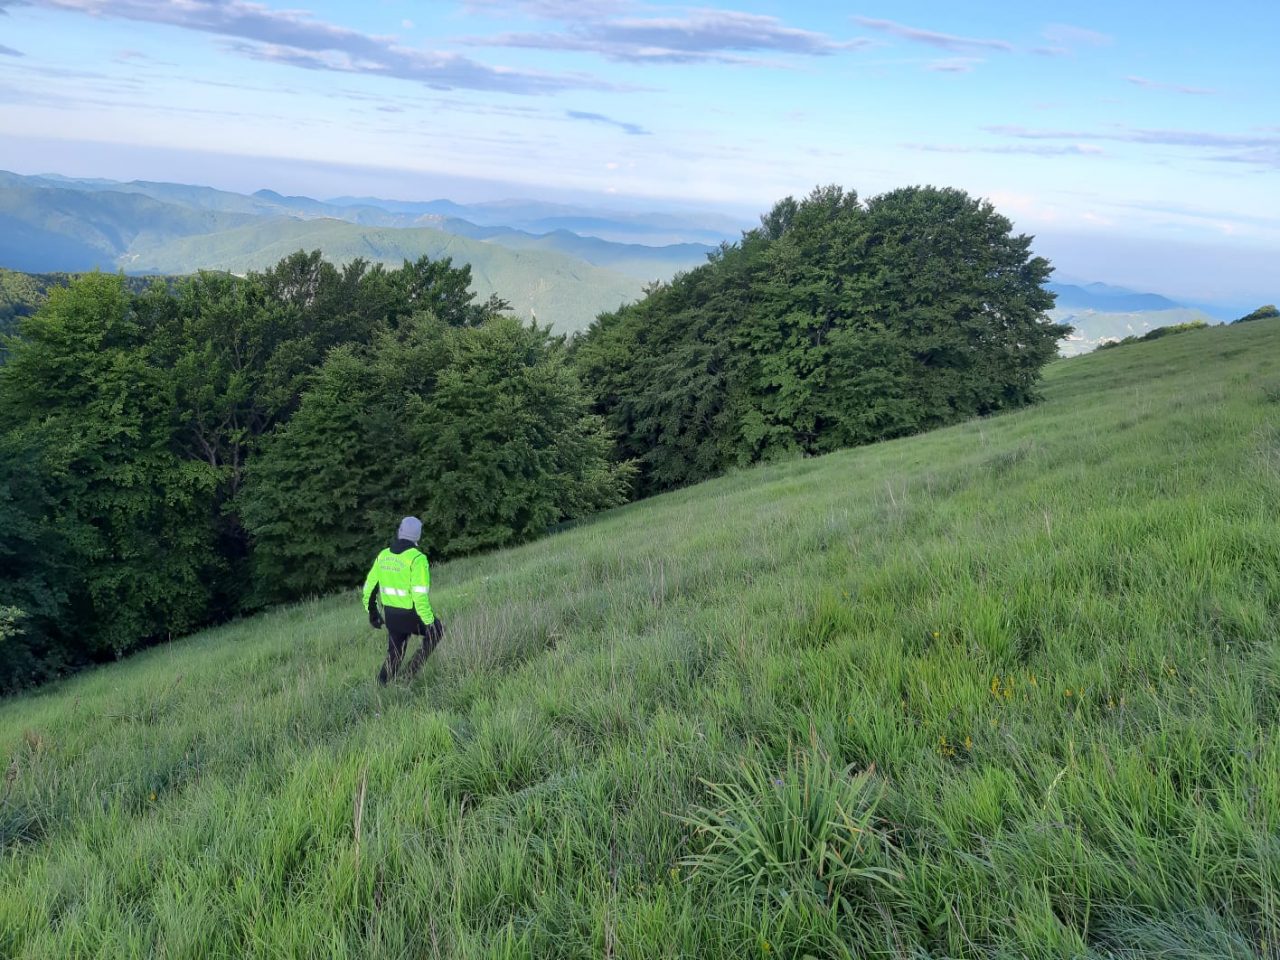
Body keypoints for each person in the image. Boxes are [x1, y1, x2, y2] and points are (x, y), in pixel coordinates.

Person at [362, 516, 444, 685]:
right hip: (411, 615)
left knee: (395, 654)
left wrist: (373, 613)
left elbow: (369, 588)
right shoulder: (417, 559)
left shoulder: (383, 555)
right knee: (437, 631)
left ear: (400, 532)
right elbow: (420, 596)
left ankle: (382, 685)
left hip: (391, 615)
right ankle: (409, 675)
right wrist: (429, 622)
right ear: (418, 537)